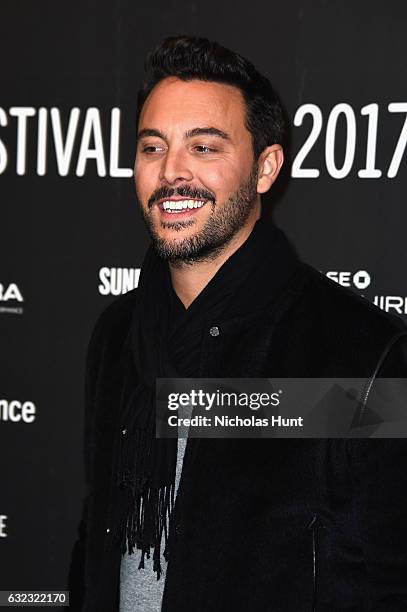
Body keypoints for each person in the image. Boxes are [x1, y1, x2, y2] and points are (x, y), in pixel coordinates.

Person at [68, 36, 407, 611]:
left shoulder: (361, 356)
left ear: (266, 167)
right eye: (152, 148)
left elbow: (382, 582)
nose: (171, 172)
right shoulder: (117, 334)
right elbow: (95, 543)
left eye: (203, 148)